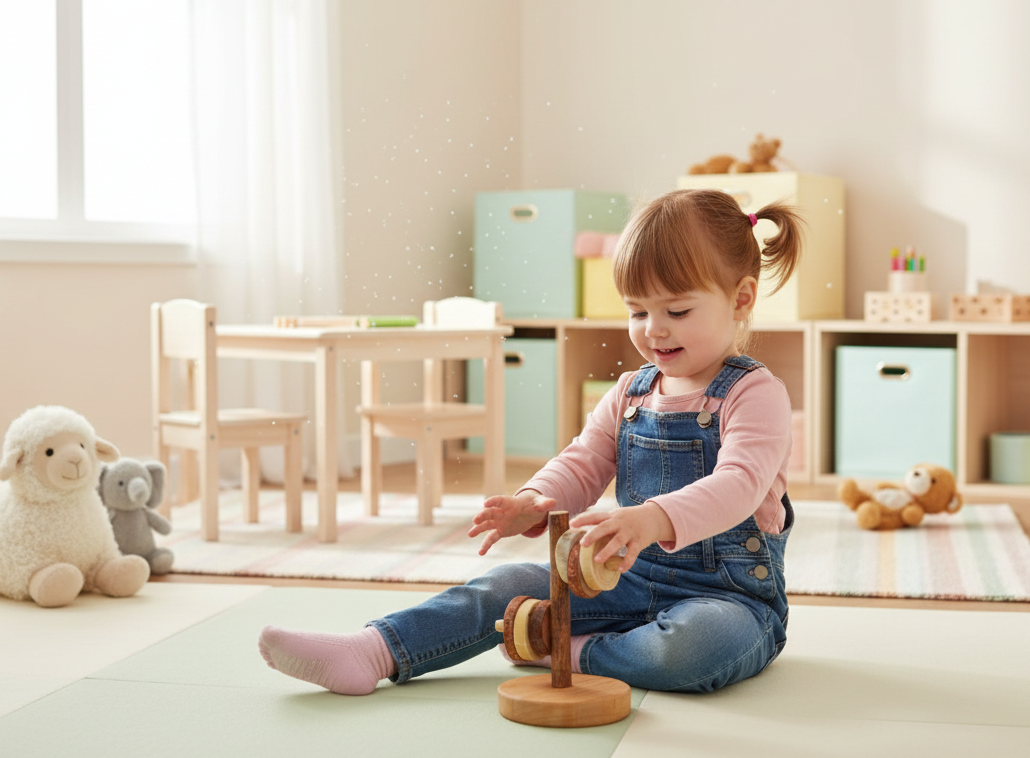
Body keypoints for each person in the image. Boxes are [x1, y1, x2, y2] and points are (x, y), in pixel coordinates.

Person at [258, 188, 806, 695]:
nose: (653, 329)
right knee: (505, 585)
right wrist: (535, 500)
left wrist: (650, 519)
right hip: (623, 578)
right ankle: (372, 651)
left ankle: (566, 650)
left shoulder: (755, 394)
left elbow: (738, 486)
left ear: (741, 299)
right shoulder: (632, 392)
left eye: (677, 311)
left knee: (689, 650)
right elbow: (584, 460)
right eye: (637, 311)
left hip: (727, 597)